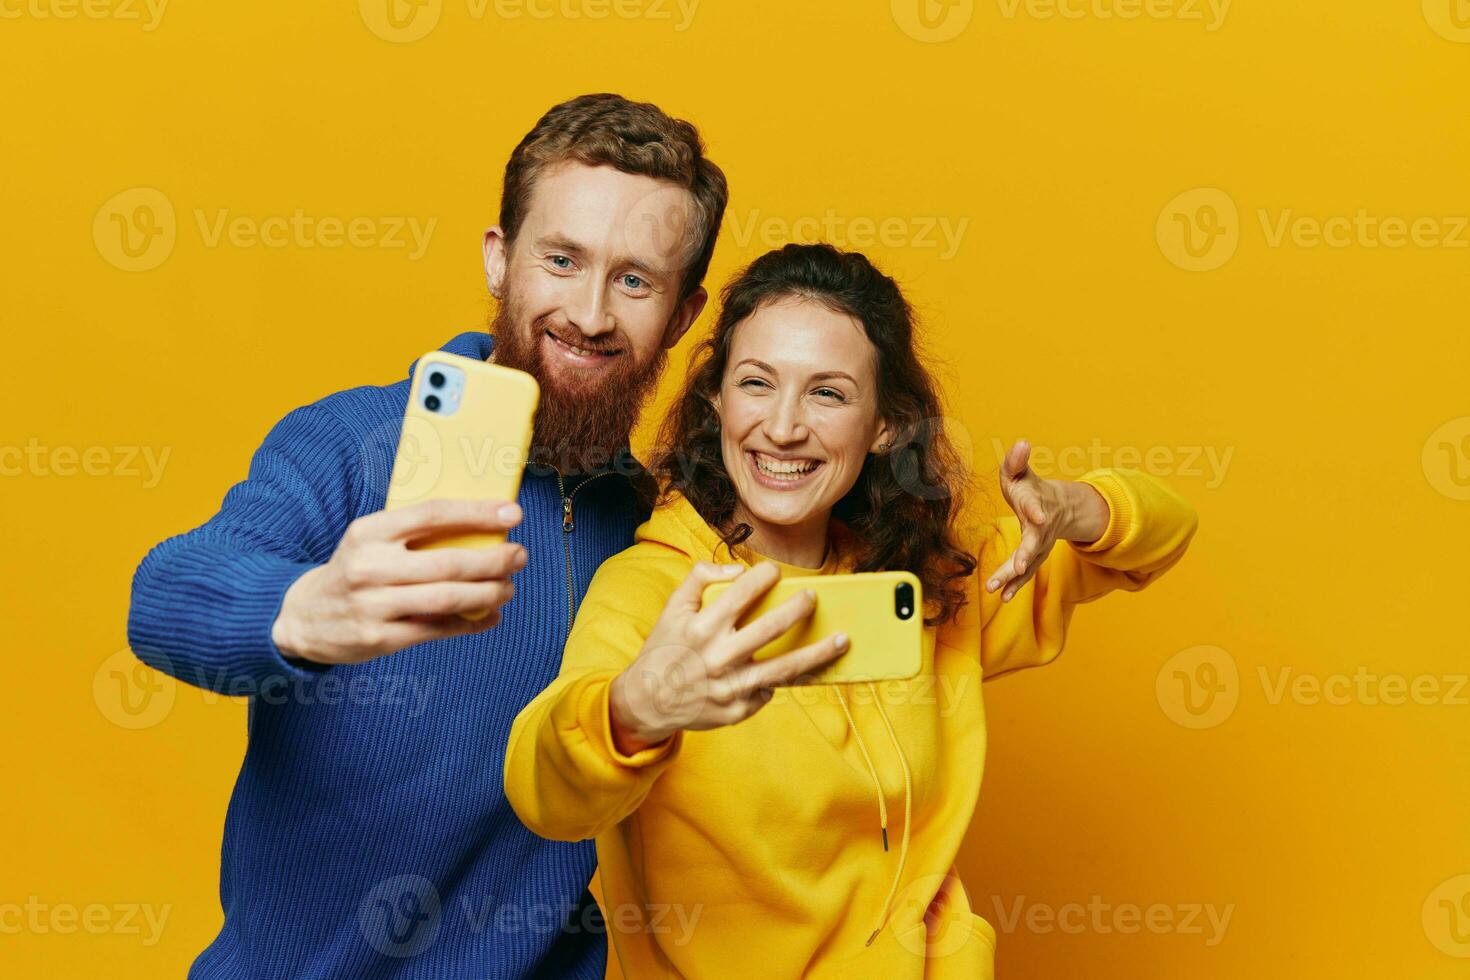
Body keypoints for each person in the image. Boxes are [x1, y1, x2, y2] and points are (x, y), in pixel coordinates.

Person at [126, 93, 727, 978]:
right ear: (499, 260)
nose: (591, 313)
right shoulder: (353, 447)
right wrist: (302, 610)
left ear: (681, 315)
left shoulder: (661, 533)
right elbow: (166, 594)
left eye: (635, 280)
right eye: (561, 260)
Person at [504, 243, 1199, 978]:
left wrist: (1075, 507)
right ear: (716, 399)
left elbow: (1162, 535)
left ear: (886, 426)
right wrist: (634, 710)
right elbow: (546, 794)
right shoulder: (657, 589)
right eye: (756, 384)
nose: (782, 427)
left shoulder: (928, 589)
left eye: (828, 393)